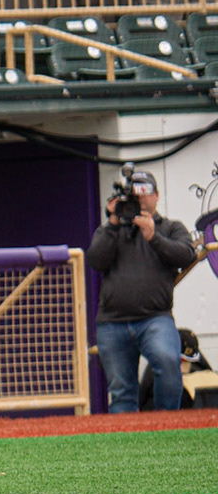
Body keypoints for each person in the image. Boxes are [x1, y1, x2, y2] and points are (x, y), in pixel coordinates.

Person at [85, 169, 197, 414]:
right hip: (112, 322)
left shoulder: (170, 227)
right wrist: (113, 223)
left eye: (145, 191)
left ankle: (167, 424)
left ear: (157, 195)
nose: (140, 198)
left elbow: (187, 255)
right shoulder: (111, 230)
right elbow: (95, 260)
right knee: (121, 391)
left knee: (168, 362)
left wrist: (153, 237)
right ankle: (127, 437)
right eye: (134, 193)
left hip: (155, 318)